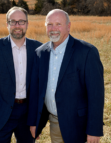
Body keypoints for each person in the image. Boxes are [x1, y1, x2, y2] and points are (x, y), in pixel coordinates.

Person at [28, 9, 105, 143]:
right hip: (55, 123)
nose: (53, 29)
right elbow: (36, 92)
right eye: (50, 24)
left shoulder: (87, 52)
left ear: (68, 26)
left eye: (58, 24)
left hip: (79, 125)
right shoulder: (40, 53)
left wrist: (94, 130)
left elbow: (96, 95)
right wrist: (34, 122)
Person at [0, 6, 42, 143]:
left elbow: (42, 85)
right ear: (7, 25)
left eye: (21, 21)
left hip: (27, 114)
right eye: (13, 21)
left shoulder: (38, 49)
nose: (17, 25)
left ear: (27, 24)